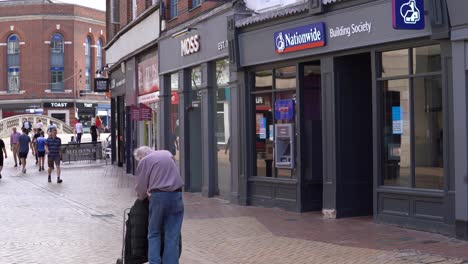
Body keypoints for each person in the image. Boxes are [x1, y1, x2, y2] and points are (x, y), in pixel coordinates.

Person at [134, 147, 184, 264]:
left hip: (159, 197)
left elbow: (141, 186)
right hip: (177, 195)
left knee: (154, 233)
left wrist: (142, 196)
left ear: (141, 156)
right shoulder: (167, 153)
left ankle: (155, 262)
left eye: (139, 159)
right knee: (172, 235)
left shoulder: (145, 161)